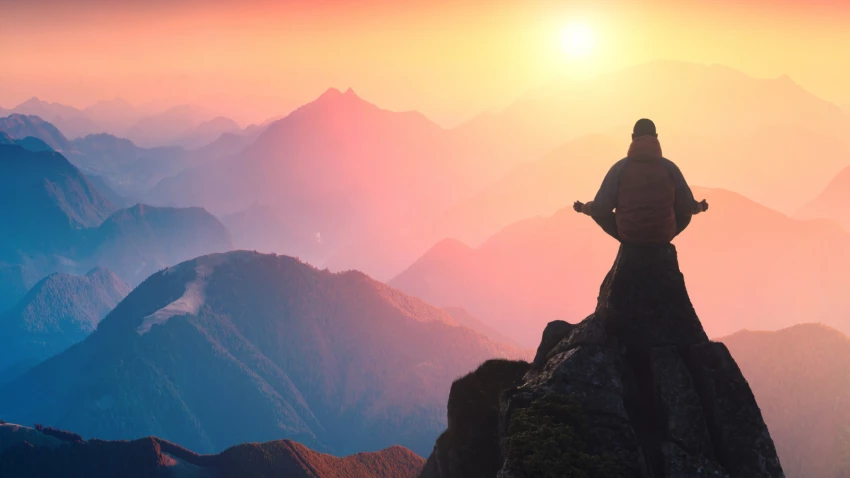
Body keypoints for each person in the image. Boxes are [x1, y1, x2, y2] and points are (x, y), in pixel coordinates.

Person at [573, 119, 708, 243]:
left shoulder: (620, 168)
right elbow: (687, 206)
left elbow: (601, 208)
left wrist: (584, 207)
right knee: (686, 214)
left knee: (599, 214)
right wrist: (700, 207)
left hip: (629, 235)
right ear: (656, 137)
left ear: (632, 137)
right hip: (663, 235)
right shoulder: (670, 168)